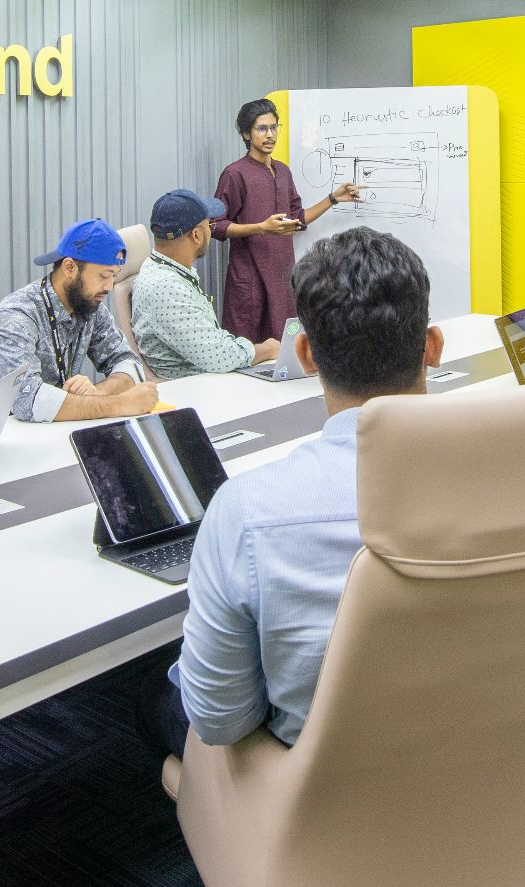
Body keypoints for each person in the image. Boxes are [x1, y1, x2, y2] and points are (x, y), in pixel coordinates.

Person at [139, 227, 444, 757]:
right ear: (433, 346)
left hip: (318, 797)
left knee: (159, 694)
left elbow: (221, 722)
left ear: (305, 355)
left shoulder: (248, 512)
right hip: (498, 761)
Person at [0, 218, 159, 423]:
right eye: (104, 276)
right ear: (69, 268)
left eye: (114, 276)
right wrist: (119, 404)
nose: (110, 287)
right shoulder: (15, 316)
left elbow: (128, 362)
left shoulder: (90, 305)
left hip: (41, 430)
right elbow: (27, 400)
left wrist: (98, 393)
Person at [210, 98, 362, 344]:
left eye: (274, 127)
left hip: (282, 278)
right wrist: (261, 228)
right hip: (250, 281)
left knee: (284, 350)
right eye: (262, 129)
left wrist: (333, 198)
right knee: (251, 352)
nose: (270, 135)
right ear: (246, 134)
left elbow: (297, 220)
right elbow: (215, 225)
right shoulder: (235, 173)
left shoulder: (283, 171)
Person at [131, 187, 281, 379]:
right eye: (209, 226)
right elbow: (220, 356)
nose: (210, 232)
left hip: (207, 380)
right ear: (196, 235)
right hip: (197, 389)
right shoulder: (165, 287)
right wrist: (269, 349)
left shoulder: (164, 268)